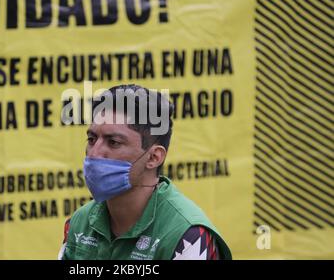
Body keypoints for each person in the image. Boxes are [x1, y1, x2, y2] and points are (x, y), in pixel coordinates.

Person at [59, 84, 232, 260]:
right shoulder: (79, 223)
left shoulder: (187, 235)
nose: (94, 153)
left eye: (114, 142)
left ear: (153, 157)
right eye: (91, 139)